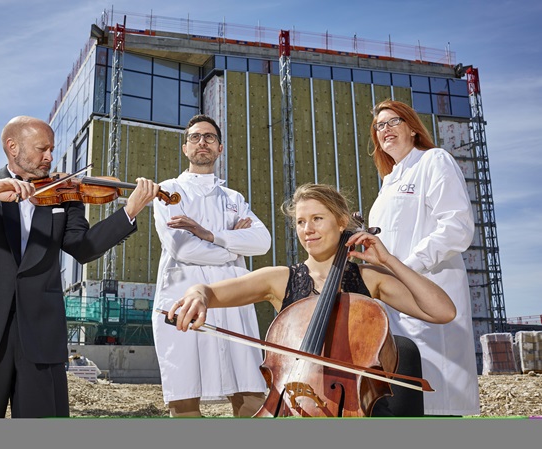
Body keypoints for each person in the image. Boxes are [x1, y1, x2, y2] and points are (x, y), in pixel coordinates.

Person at [0, 115, 160, 418]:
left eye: (52, 149)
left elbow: (84, 247)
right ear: (13, 147)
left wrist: (129, 211)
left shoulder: (64, 194)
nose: (50, 157)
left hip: (40, 332)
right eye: (42, 149)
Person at [166, 183, 457, 417]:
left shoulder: (370, 279)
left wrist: (389, 260)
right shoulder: (279, 279)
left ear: (342, 222)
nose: (308, 229)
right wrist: (197, 294)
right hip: (291, 406)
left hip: (357, 410)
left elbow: (442, 311)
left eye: (318, 219)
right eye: (301, 222)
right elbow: (211, 291)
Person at [151, 114, 271, 417]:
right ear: (185, 148)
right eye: (195, 137)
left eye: (209, 137)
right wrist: (233, 248)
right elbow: (182, 247)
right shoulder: (169, 190)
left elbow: (262, 242)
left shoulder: (234, 198)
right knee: (184, 398)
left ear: (219, 148)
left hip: (233, 302)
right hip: (183, 301)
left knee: (250, 393)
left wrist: (210, 235)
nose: (202, 142)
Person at [366, 99, 480, 417]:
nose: (384, 130)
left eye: (393, 122)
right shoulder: (387, 185)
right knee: (406, 394)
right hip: (397, 301)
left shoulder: (434, 161)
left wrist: (405, 268)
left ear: (413, 129)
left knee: (438, 396)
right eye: (379, 126)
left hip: (430, 288)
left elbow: (456, 227)